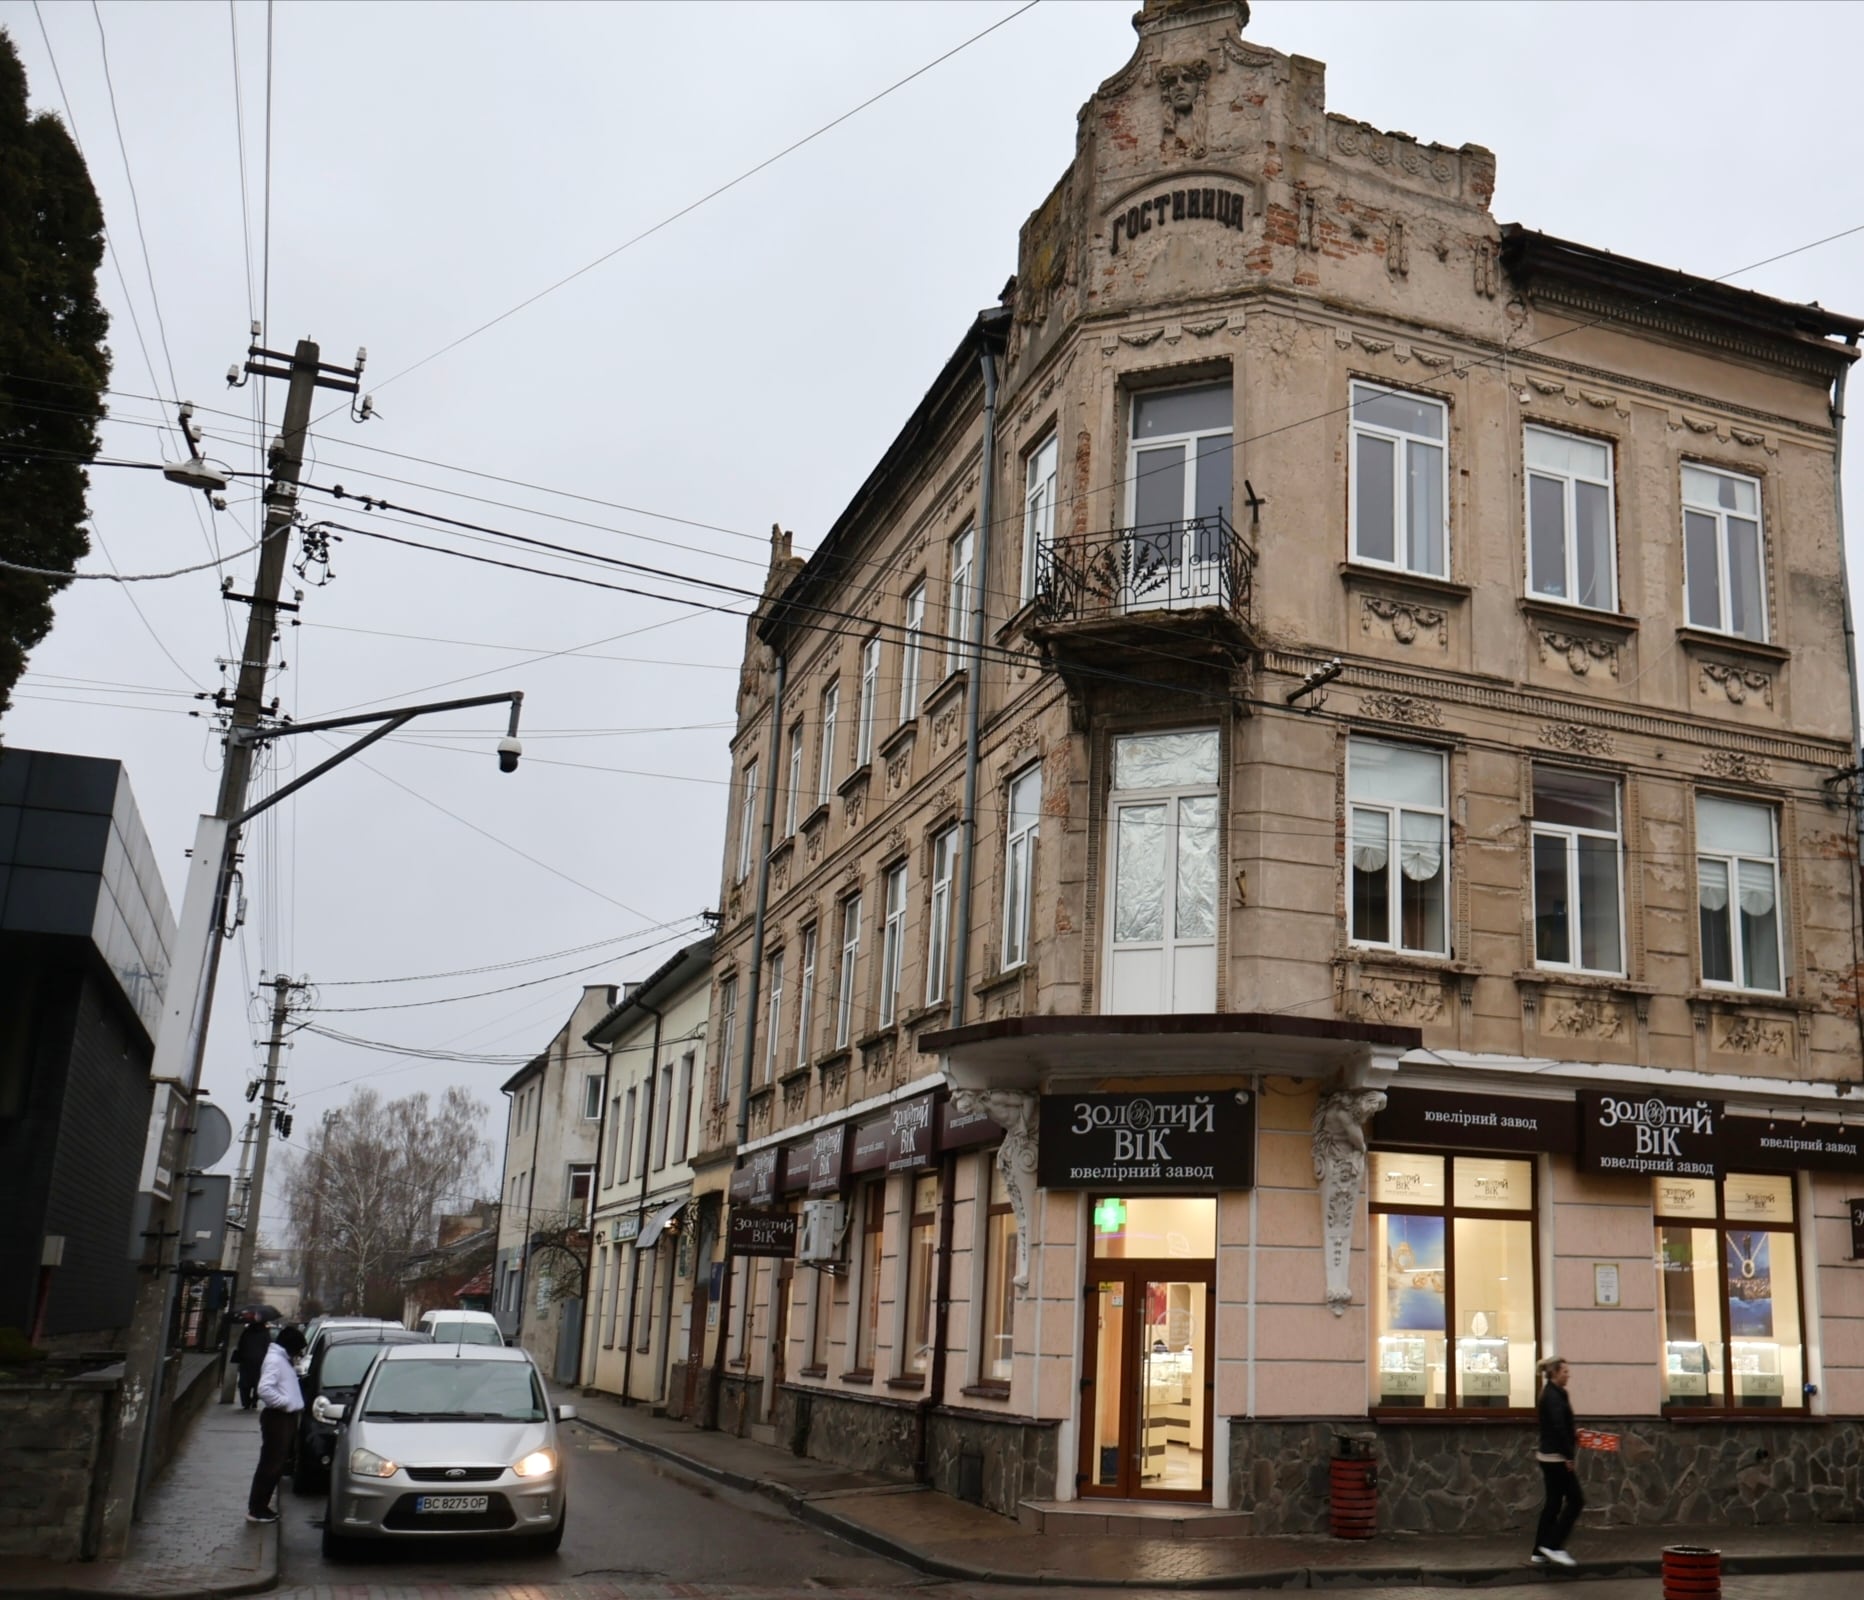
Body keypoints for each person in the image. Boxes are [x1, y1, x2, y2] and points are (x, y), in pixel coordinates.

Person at [247, 1325, 306, 1525]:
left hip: (283, 1417)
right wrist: (285, 1403)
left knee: (275, 1463)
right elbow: (264, 1389)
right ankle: (257, 1509)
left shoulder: (281, 1360)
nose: (299, 1355)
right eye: (298, 1350)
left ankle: (261, 1507)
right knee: (270, 1464)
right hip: (277, 1417)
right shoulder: (275, 1360)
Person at [1531, 1355, 1582, 1568]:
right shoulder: (1553, 1397)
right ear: (1553, 1373)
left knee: (1553, 1504)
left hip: (1550, 1456)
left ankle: (1539, 1552)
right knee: (1576, 1500)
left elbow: (1560, 1426)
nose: (1568, 1375)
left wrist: (1574, 1433)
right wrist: (1569, 1457)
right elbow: (1559, 1428)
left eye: (1568, 1371)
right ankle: (1553, 1545)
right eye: (1564, 1372)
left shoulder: (1554, 1394)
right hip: (1556, 1458)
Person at [232, 1316, 271, 1411]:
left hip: (246, 1360)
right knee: (258, 1382)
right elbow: (268, 1347)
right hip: (260, 1362)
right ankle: (254, 1401)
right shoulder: (265, 1333)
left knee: (244, 1382)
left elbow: (240, 1345)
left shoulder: (246, 1332)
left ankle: (246, 1402)